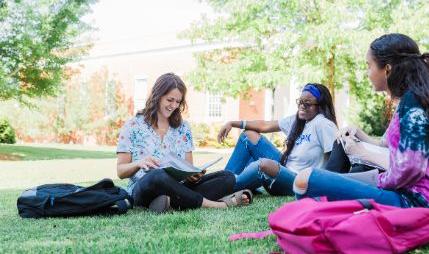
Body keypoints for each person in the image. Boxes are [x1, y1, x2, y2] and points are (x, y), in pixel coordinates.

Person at [293, 33, 429, 224]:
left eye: (369, 66)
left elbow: (409, 168)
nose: (367, 73)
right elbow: (387, 146)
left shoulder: (414, 103)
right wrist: (359, 135)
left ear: (387, 69)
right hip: (415, 198)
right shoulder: (411, 100)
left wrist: (367, 167)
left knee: (307, 180)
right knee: (322, 181)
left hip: (419, 206)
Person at [116, 73, 251, 213]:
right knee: (157, 175)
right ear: (157, 96)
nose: (173, 106)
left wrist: (193, 175)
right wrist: (139, 163)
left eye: (178, 102)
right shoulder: (132, 125)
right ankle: (217, 205)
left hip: (179, 187)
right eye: (170, 100)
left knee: (227, 177)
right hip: (144, 188)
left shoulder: (183, 127)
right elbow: (121, 171)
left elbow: (188, 168)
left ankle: (170, 203)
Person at [218, 83, 338, 196]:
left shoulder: (323, 124)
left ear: (320, 106)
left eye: (307, 103)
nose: (302, 106)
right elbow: (265, 126)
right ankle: (225, 179)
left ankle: (222, 190)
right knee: (248, 135)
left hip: (298, 181)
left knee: (263, 164)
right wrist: (233, 123)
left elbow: (336, 159)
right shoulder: (298, 120)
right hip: (285, 168)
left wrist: (325, 187)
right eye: (300, 102)